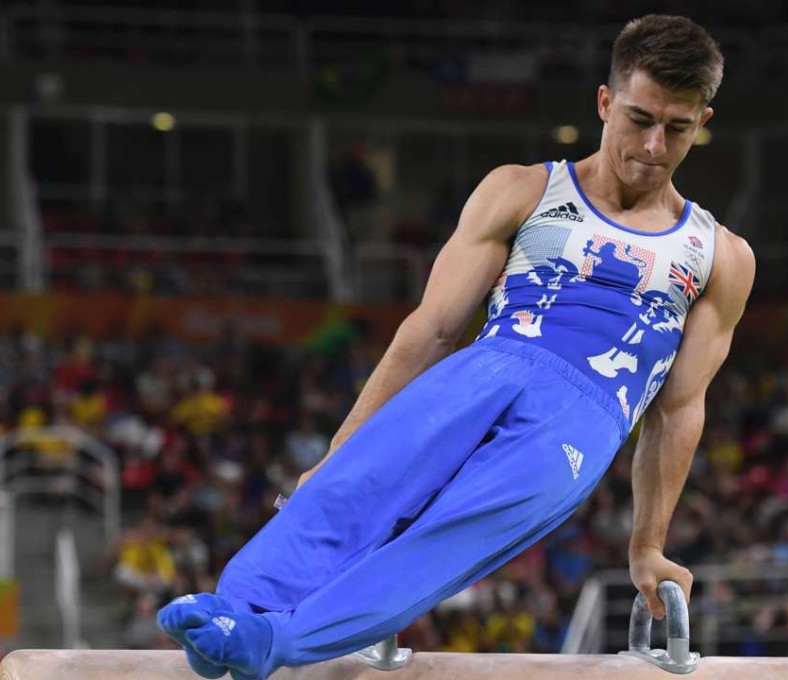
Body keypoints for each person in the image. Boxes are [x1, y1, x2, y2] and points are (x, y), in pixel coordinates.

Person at [157, 14, 755, 680]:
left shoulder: (720, 255)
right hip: (491, 363)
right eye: (639, 119)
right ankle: (234, 610)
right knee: (357, 484)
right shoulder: (524, 189)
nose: (652, 145)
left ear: (703, 122)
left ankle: (274, 643)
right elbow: (432, 329)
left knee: (446, 538)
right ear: (604, 101)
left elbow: (677, 411)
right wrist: (338, 453)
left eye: (677, 128)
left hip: (584, 416)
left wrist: (647, 546)